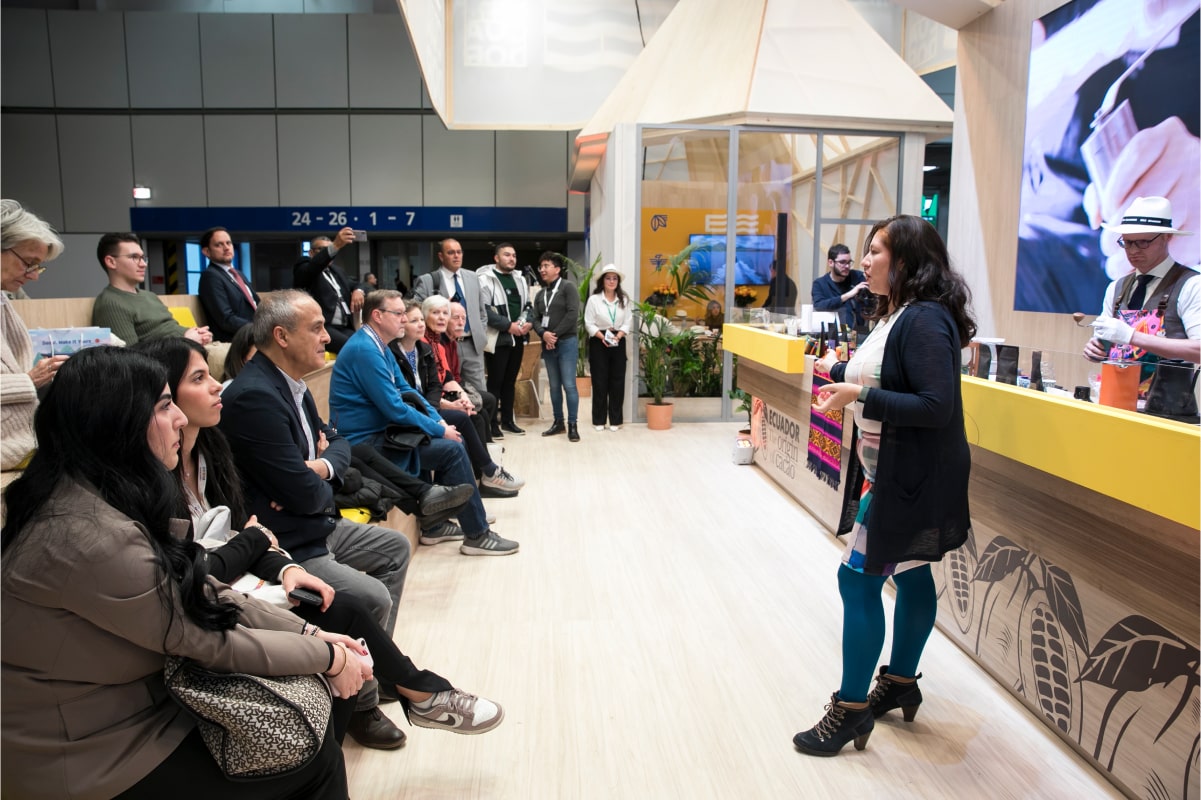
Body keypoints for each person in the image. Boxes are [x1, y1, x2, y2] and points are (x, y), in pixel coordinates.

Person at [1, 346, 363, 799]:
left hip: (131, 704)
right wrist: (329, 657)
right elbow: (203, 637)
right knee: (311, 753)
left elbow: (199, 586)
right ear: (117, 422)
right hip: (86, 751)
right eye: (164, 405)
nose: (178, 419)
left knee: (330, 653)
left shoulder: (102, 495)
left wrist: (311, 635)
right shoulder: (90, 535)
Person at [134, 336, 503, 743]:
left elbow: (328, 453)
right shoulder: (239, 410)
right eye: (199, 378)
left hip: (274, 552)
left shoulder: (214, 448)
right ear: (283, 337)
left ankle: (390, 687)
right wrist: (271, 535)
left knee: (381, 556)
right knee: (357, 604)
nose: (326, 338)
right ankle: (403, 691)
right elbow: (222, 551)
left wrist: (284, 554)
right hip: (250, 572)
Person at [793, 215, 975, 757]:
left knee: (858, 582)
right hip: (895, 472)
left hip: (910, 478)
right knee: (914, 575)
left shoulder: (923, 320)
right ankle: (899, 683)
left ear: (906, 263)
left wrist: (856, 395)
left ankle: (849, 712)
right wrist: (843, 369)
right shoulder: (897, 314)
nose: (864, 261)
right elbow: (885, 376)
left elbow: (934, 406)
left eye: (875, 251)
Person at [218, 291, 414, 748]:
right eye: (317, 328)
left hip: (314, 520)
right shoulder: (254, 397)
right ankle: (361, 706)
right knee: (371, 597)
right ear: (281, 335)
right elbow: (304, 493)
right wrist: (322, 472)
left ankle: (374, 672)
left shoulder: (293, 383)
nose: (328, 337)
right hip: (288, 540)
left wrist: (325, 464)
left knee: (395, 547)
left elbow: (336, 441)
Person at [329, 290, 520, 556]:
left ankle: (437, 523)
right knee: (451, 449)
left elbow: (409, 392)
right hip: (365, 445)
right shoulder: (365, 350)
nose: (404, 321)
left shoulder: (377, 345)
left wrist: (439, 420)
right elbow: (395, 408)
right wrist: (440, 428)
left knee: (451, 437)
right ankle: (476, 534)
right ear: (377, 316)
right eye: (398, 315)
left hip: (384, 434)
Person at [1083, 196, 1199, 420]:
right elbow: (1106, 339)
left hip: (1168, 415)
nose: (1133, 251)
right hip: (1114, 405)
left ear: (1166, 238)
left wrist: (1132, 336)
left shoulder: (1191, 285)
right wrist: (1096, 347)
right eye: (1127, 242)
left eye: (1143, 242)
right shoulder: (1116, 288)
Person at [420, 295, 522, 496]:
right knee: (471, 417)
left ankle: (486, 475)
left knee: (478, 410)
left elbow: (448, 376)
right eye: (436, 313)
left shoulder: (438, 344)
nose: (442, 318)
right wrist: (451, 404)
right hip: (429, 405)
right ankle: (488, 474)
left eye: (445, 313)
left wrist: (462, 397)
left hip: (438, 398)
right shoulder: (423, 344)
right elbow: (423, 390)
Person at [1, 200, 67, 489]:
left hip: (23, 443)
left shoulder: (5, 300)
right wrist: (27, 381)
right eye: (28, 263)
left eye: (38, 267)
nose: (32, 276)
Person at [91, 233, 213, 346]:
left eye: (143, 258)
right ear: (111, 262)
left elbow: (170, 328)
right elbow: (129, 357)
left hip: (187, 349)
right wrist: (185, 340)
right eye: (134, 257)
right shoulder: (111, 303)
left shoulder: (150, 296)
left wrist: (197, 334)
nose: (143, 264)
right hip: (175, 357)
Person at [411, 238, 488, 394]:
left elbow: (481, 312)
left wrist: (481, 333)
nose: (456, 256)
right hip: (444, 344)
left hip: (473, 344)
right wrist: (436, 305)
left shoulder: (473, 277)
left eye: (459, 252)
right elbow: (415, 311)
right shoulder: (429, 281)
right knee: (450, 391)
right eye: (451, 252)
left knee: (480, 394)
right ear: (441, 256)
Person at [477, 242, 533, 436]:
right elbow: (484, 310)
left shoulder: (520, 279)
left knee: (510, 382)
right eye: (507, 255)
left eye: (514, 256)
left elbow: (528, 306)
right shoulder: (484, 279)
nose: (511, 259)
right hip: (498, 339)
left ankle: (508, 421)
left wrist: (527, 323)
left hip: (517, 338)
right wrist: (509, 326)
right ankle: (492, 424)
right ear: (496, 258)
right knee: (495, 382)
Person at [531, 251, 581, 441]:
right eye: (541, 266)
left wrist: (554, 335)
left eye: (546, 266)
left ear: (557, 269)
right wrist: (544, 334)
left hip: (566, 342)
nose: (542, 270)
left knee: (569, 385)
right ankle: (558, 422)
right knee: (553, 386)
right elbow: (535, 318)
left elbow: (572, 314)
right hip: (548, 344)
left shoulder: (568, 287)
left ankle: (573, 425)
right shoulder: (541, 293)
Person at [293, 227, 365, 354]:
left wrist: (358, 291)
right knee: (356, 349)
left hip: (345, 325)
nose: (328, 253)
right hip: (324, 325)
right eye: (322, 250)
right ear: (311, 253)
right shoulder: (304, 266)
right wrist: (335, 245)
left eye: (329, 249)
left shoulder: (337, 271)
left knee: (369, 344)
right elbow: (313, 267)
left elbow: (357, 284)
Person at [583, 264, 632, 431]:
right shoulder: (594, 300)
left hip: (618, 340)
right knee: (599, 380)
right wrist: (602, 337)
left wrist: (617, 336)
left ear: (618, 281)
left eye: (615, 278)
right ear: (602, 281)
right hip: (599, 341)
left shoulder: (624, 300)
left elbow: (627, 322)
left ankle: (616, 420)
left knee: (617, 381)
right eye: (608, 278)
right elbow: (588, 323)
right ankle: (599, 420)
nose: (611, 281)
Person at [447, 301, 500, 440]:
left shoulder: (453, 342)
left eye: (463, 318)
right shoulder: (441, 344)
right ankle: (483, 457)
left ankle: (487, 451)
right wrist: (462, 395)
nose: (460, 322)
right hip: (445, 393)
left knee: (488, 401)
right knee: (478, 415)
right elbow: (444, 379)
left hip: (456, 386)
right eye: (455, 317)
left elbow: (455, 376)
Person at [198, 227, 259, 341]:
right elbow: (226, 319)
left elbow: (256, 305)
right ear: (206, 252)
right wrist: (259, 328)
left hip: (256, 334)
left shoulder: (238, 274)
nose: (226, 248)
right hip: (238, 340)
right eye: (219, 245)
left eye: (228, 243)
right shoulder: (211, 276)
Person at [811, 244, 871, 331]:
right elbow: (819, 305)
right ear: (831, 263)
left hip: (860, 332)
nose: (847, 266)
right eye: (842, 262)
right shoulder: (819, 284)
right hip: (832, 334)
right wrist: (848, 295)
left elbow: (870, 302)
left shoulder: (857, 277)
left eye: (849, 262)